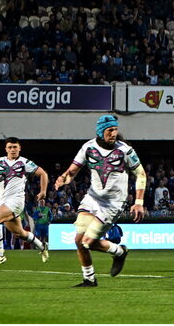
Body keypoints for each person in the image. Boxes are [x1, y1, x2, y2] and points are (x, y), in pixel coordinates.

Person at [54, 114, 146, 287]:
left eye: (115, 129)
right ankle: (89, 279)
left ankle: (119, 251)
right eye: (110, 130)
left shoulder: (125, 150)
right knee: (78, 241)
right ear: (100, 131)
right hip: (92, 198)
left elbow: (140, 174)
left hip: (113, 203)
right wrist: (63, 178)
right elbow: (73, 171)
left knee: (88, 242)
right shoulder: (88, 148)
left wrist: (139, 202)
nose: (114, 133)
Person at [0, 137, 49, 264]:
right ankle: (42, 246)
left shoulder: (25, 163)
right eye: (10, 147)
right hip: (4, 202)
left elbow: (43, 174)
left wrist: (43, 191)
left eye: (15, 147)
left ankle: (0, 254)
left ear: (19, 148)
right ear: (6, 149)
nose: (12, 150)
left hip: (17, 201)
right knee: (20, 234)